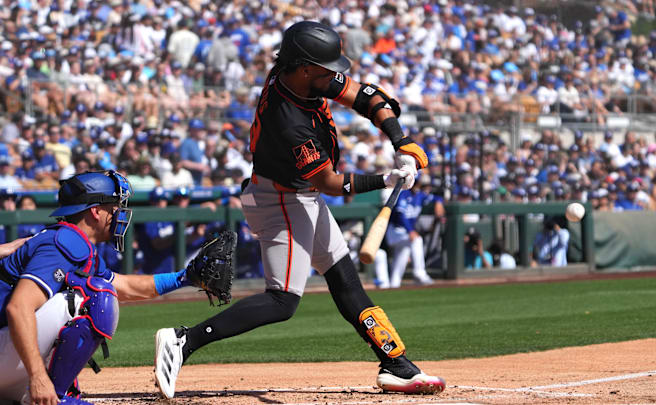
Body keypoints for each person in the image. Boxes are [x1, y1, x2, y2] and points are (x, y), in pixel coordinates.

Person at [154, 21, 444, 399]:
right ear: (306, 68)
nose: (336, 75)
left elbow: (367, 96)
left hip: (297, 196)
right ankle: (183, 341)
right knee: (283, 300)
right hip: (281, 201)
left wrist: (400, 140)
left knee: (344, 280)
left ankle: (397, 365)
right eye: (328, 69)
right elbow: (330, 184)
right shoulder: (288, 119)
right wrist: (387, 180)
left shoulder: (301, 76)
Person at [0, 171, 195, 405]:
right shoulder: (65, 242)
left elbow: (124, 286)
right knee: (95, 296)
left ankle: (33, 393)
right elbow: (18, 307)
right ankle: (54, 393)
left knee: (95, 291)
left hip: (6, 356)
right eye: (114, 207)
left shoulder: (72, 241)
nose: (119, 214)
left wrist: (184, 278)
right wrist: (38, 376)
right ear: (96, 211)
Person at [384, 178, 436, 287]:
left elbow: (436, 198)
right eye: (418, 184)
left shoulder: (420, 195)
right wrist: (410, 231)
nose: (420, 186)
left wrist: (439, 202)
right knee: (417, 240)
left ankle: (394, 283)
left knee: (404, 252)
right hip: (395, 231)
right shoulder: (403, 194)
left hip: (405, 234)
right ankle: (419, 272)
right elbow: (401, 215)